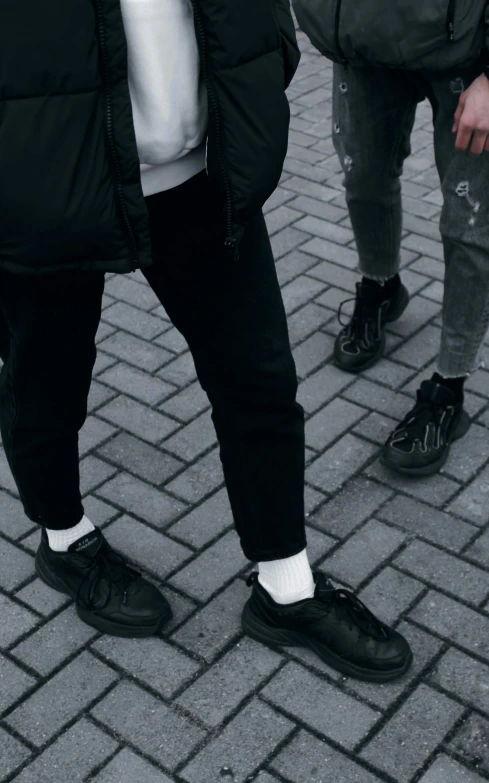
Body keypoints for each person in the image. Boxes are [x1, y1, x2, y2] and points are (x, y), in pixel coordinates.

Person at [0, 0, 412, 682]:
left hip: (200, 174)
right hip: (50, 176)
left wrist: (266, 59)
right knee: (46, 376)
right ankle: (65, 539)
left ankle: (287, 589)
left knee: (259, 379)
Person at [294, 0, 489, 476]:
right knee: (364, 180)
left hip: (469, 50)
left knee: (471, 223)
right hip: (358, 40)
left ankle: (448, 388)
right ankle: (381, 288)